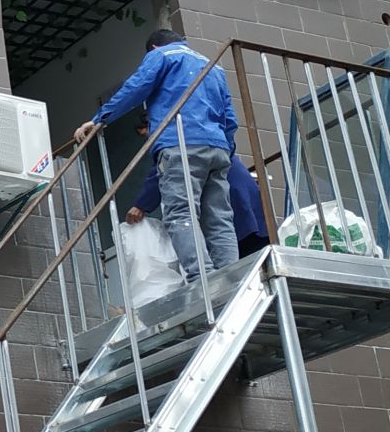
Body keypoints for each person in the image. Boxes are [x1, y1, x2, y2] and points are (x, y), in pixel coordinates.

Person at [75, 29, 238, 283]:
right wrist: (226, 149)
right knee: (219, 219)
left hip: (180, 143)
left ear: (153, 47)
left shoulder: (162, 56)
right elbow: (230, 117)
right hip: (217, 147)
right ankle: (233, 277)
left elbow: (135, 88)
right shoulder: (213, 67)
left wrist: (99, 119)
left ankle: (203, 279)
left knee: (181, 214)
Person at [125, 115, 269, 260]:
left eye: (148, 135)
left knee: (239, 251)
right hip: (240, 193)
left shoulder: (175, 141)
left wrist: (141, 206)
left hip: (231, 196)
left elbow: (161, 171)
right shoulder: (198, 129)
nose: (149, 142)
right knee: (253, 248)